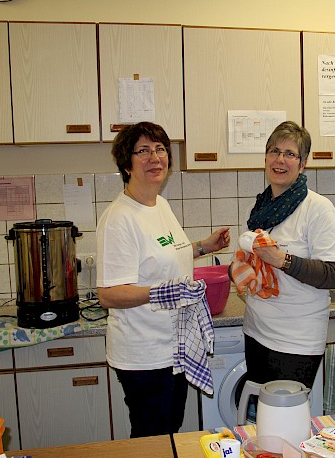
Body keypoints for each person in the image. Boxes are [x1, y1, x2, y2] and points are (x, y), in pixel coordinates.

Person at [96, 121, 230, 437]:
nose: (154, 157)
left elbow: (167, 254)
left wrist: (204, 247)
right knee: (152, 438)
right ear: (126, 164)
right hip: (144, 354)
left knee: (168, 430)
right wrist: (162, 293)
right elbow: (108, 294)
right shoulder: (119, 219)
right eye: (142, 151)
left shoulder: (160, 205)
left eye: (159, 149)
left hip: (173, 347)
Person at [234, 121, 335, 391]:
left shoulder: (318, 209)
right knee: (261, 418)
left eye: (290, 154)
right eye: (274, 151)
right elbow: (251, 261)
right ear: (265, 158)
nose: (280, 160)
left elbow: (333, 275)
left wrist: (282, 260)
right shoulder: (259, 206)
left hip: (296, 342)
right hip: (256, 331)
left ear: (303, 163)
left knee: (284, 422)